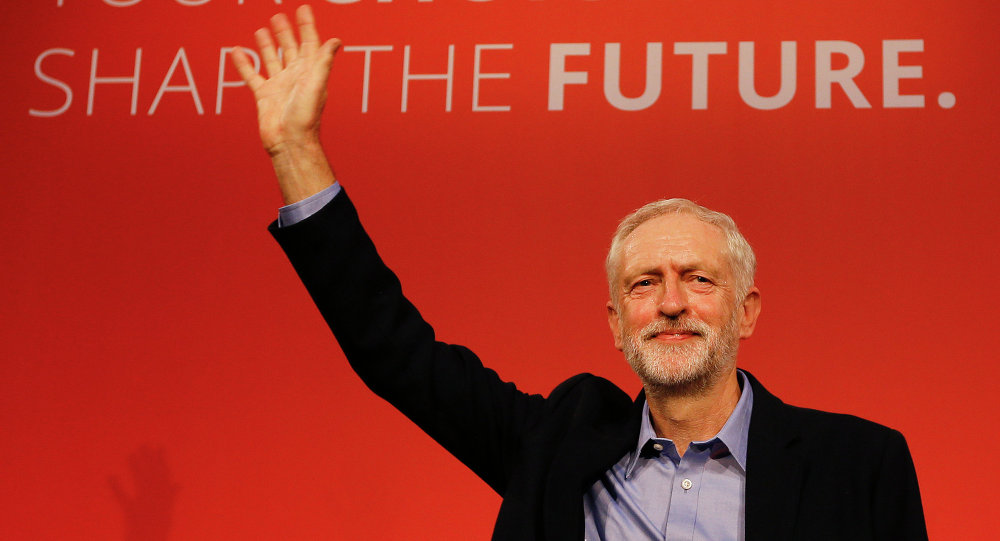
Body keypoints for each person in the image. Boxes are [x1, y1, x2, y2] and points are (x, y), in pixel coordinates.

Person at [232, 7, 928, 541]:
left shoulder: (859, 463)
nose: (672, 302)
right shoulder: (555, 445)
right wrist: (295, 150)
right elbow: (395, 352)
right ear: (617, 322)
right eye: (644, 284)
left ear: (746, 311)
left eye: (699, 279)